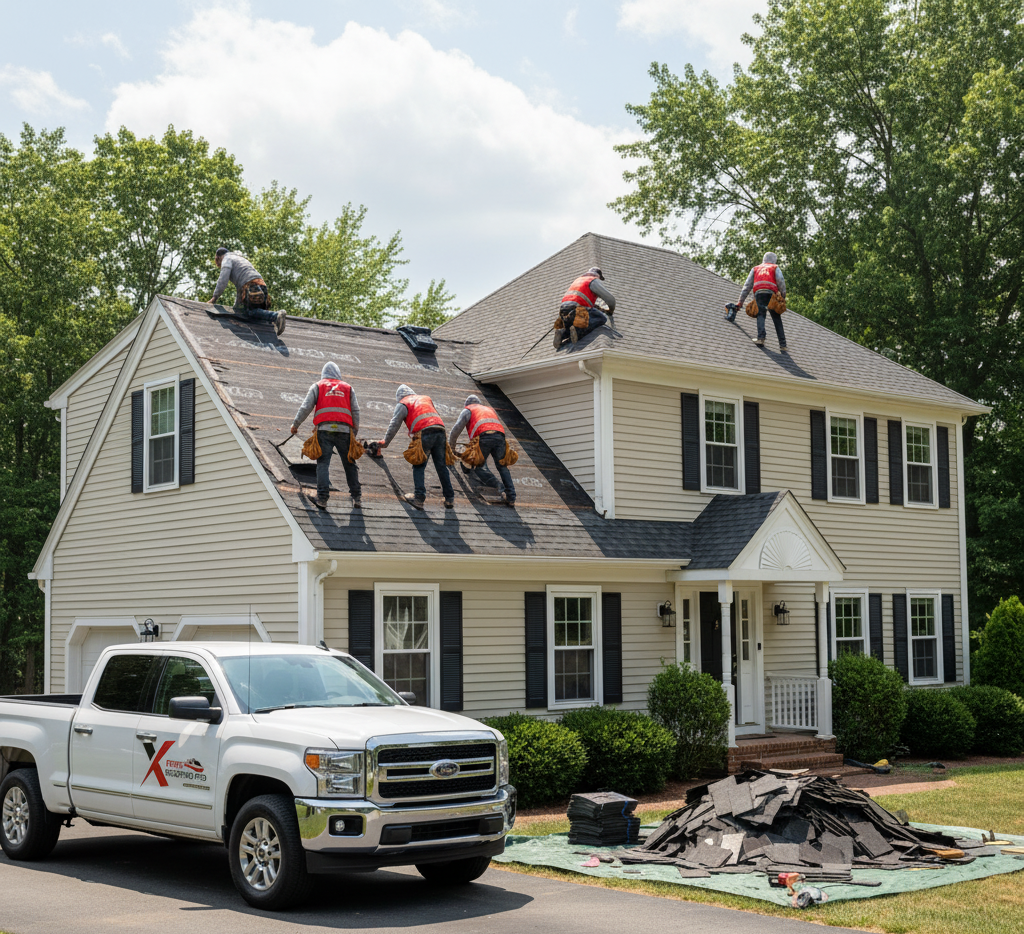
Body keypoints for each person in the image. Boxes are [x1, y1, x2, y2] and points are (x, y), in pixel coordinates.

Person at [290, 362, 362, 509]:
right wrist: (354, 432)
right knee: (349, 463)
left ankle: (322, 499)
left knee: (323, 463)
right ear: (338, 374)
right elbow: (356, 411)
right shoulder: (348, 388)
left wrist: (295, 425)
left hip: (324, 430)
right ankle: (357, 497)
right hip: (344, 431)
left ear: (323, 374)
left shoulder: (318, 386)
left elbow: (306, 407)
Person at [377, 384, 454, 510]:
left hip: (424, 433)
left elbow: (394, 424)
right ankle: (450, 498)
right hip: (440, 431)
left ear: (399, 397)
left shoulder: (403, 404)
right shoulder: (426, 398)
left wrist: (385, 442)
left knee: (419, 465)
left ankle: (419, 498)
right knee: (441, 466)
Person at [449, 394, 516, 507]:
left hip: (484, 437)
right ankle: (511, 497)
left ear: (467, 404)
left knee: (479, 467)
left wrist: (451, 447)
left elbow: (456, 429)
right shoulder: (489, 409)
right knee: (502, 466)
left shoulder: (468, 410)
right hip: (500, 437)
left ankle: (498, 486)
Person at [209, 247, 286, 335]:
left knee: (249, 312)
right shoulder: (240, 259)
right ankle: (273, 323)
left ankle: (276, 316)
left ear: (217, 258)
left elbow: (223, 280)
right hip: (261, 285)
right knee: (257, 315)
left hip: (251, 286)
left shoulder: (226, 259)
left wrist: (214, 297)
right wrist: (236, 308)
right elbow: (240, 290)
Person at [736, 251, 787, 351]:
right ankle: (783, 345)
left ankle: (761, 338)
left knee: (761, 314)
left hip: (759, 293)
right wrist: (783, 297)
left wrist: (740, 302)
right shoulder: (775, 267)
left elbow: (747, 286)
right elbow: (781, 281)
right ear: (774, 260)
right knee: (776, 317)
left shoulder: (755, 269)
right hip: (772, 293)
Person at [554, 266, 616, 349]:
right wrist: (610, 311)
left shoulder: (578, 280)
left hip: (564, 308)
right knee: (601, 318)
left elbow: (580, 295)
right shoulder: (593, 280)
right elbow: (610, 299)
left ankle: (562, 334)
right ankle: (578, 331)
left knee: (570, 323)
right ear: (598, 275)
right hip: (578, 307)